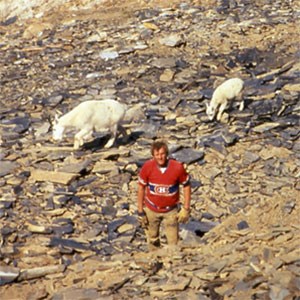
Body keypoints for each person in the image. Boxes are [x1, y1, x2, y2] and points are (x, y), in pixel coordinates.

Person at [137, 140, 191, 250]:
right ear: (153, 156)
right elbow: (141, 188)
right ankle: (154, 258)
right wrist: (140, 211)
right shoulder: (147, 167)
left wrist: (186, 209)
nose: (160, 157)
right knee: (152, 238)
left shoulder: (177, 167)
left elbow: (186, 185)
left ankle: (173, 261)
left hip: (170, 211)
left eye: (162, 154)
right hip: (152, 209)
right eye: (157, 154)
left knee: (173, 241)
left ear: (167, 154)